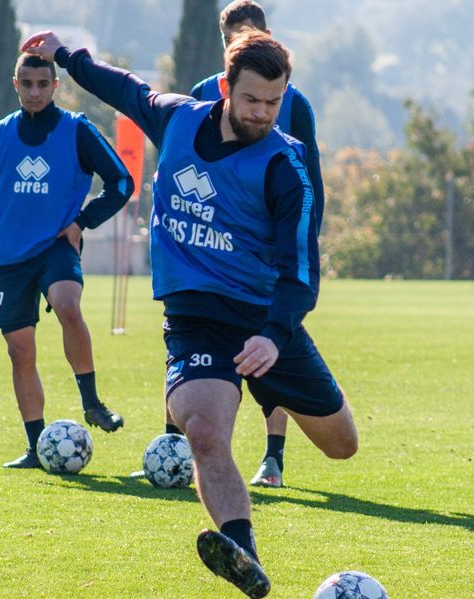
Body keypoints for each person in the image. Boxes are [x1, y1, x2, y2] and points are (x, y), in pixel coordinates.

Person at [20, 29, 358, 599]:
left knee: (341, 444)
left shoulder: (285, 165)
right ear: (225, 87)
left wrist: (276, 336)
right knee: (203, 431)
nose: (263, 113)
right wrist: (66, 57)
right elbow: (124, 89)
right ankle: (242, 551)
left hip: (265, 321)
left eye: (275, 103)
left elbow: (302, 272)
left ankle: (277, 396)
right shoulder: (177, 120)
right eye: (252, 100)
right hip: (196, 316)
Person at [0, 53, 134, 470]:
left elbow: (122, 182)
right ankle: (37, 447)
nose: (34, 91)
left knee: (69, 306)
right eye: (26, 83)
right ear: (15, 84)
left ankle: (92, 402)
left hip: (56, 246)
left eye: (42, 83)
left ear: (55, 86)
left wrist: (82, 222)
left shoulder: (77, 130)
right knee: (21, 352)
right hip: (11, 257)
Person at [181, 0, 326, 489]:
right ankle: (177, 451)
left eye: (252, 35)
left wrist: (301, 248)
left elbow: (309, 181)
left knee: (269, 354)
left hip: (264, 254)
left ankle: (273, 456)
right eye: (234, 38)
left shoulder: (294, 102)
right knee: (192, 348)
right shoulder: (204, 93)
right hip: (207, 249)